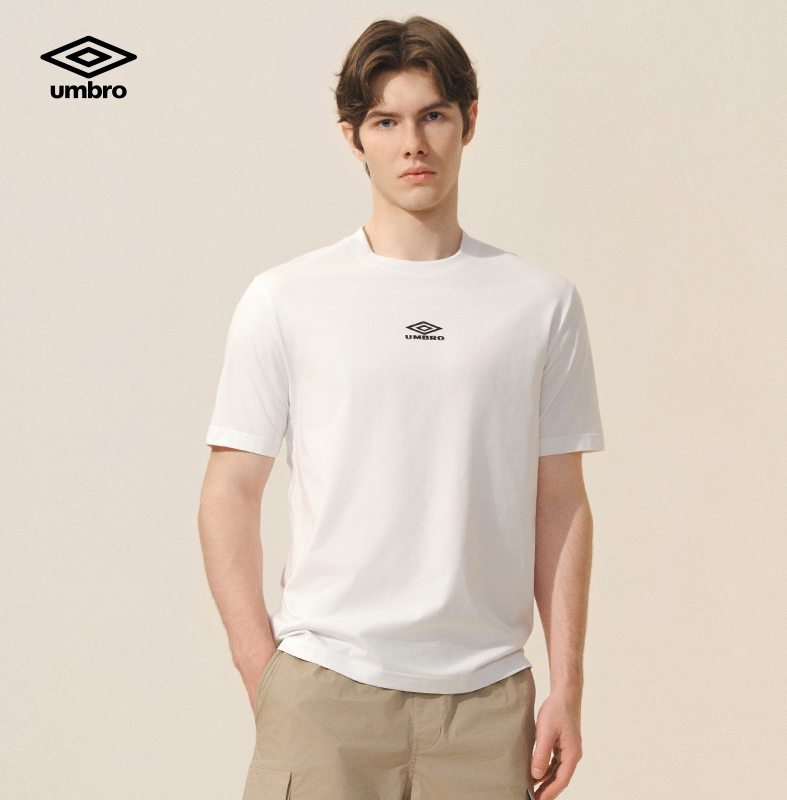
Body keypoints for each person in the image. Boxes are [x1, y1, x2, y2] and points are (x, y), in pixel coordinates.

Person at [198, 14, 604, 800]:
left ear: (469, 121)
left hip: (488, 705)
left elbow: (560, 502)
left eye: (433, 115)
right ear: (353, 137)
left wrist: (569, 687)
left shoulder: (540, 304)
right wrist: (263, 672)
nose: (413, 143)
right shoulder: (286, 298)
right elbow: (228, 492)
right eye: (386, 121)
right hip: (324, 690)